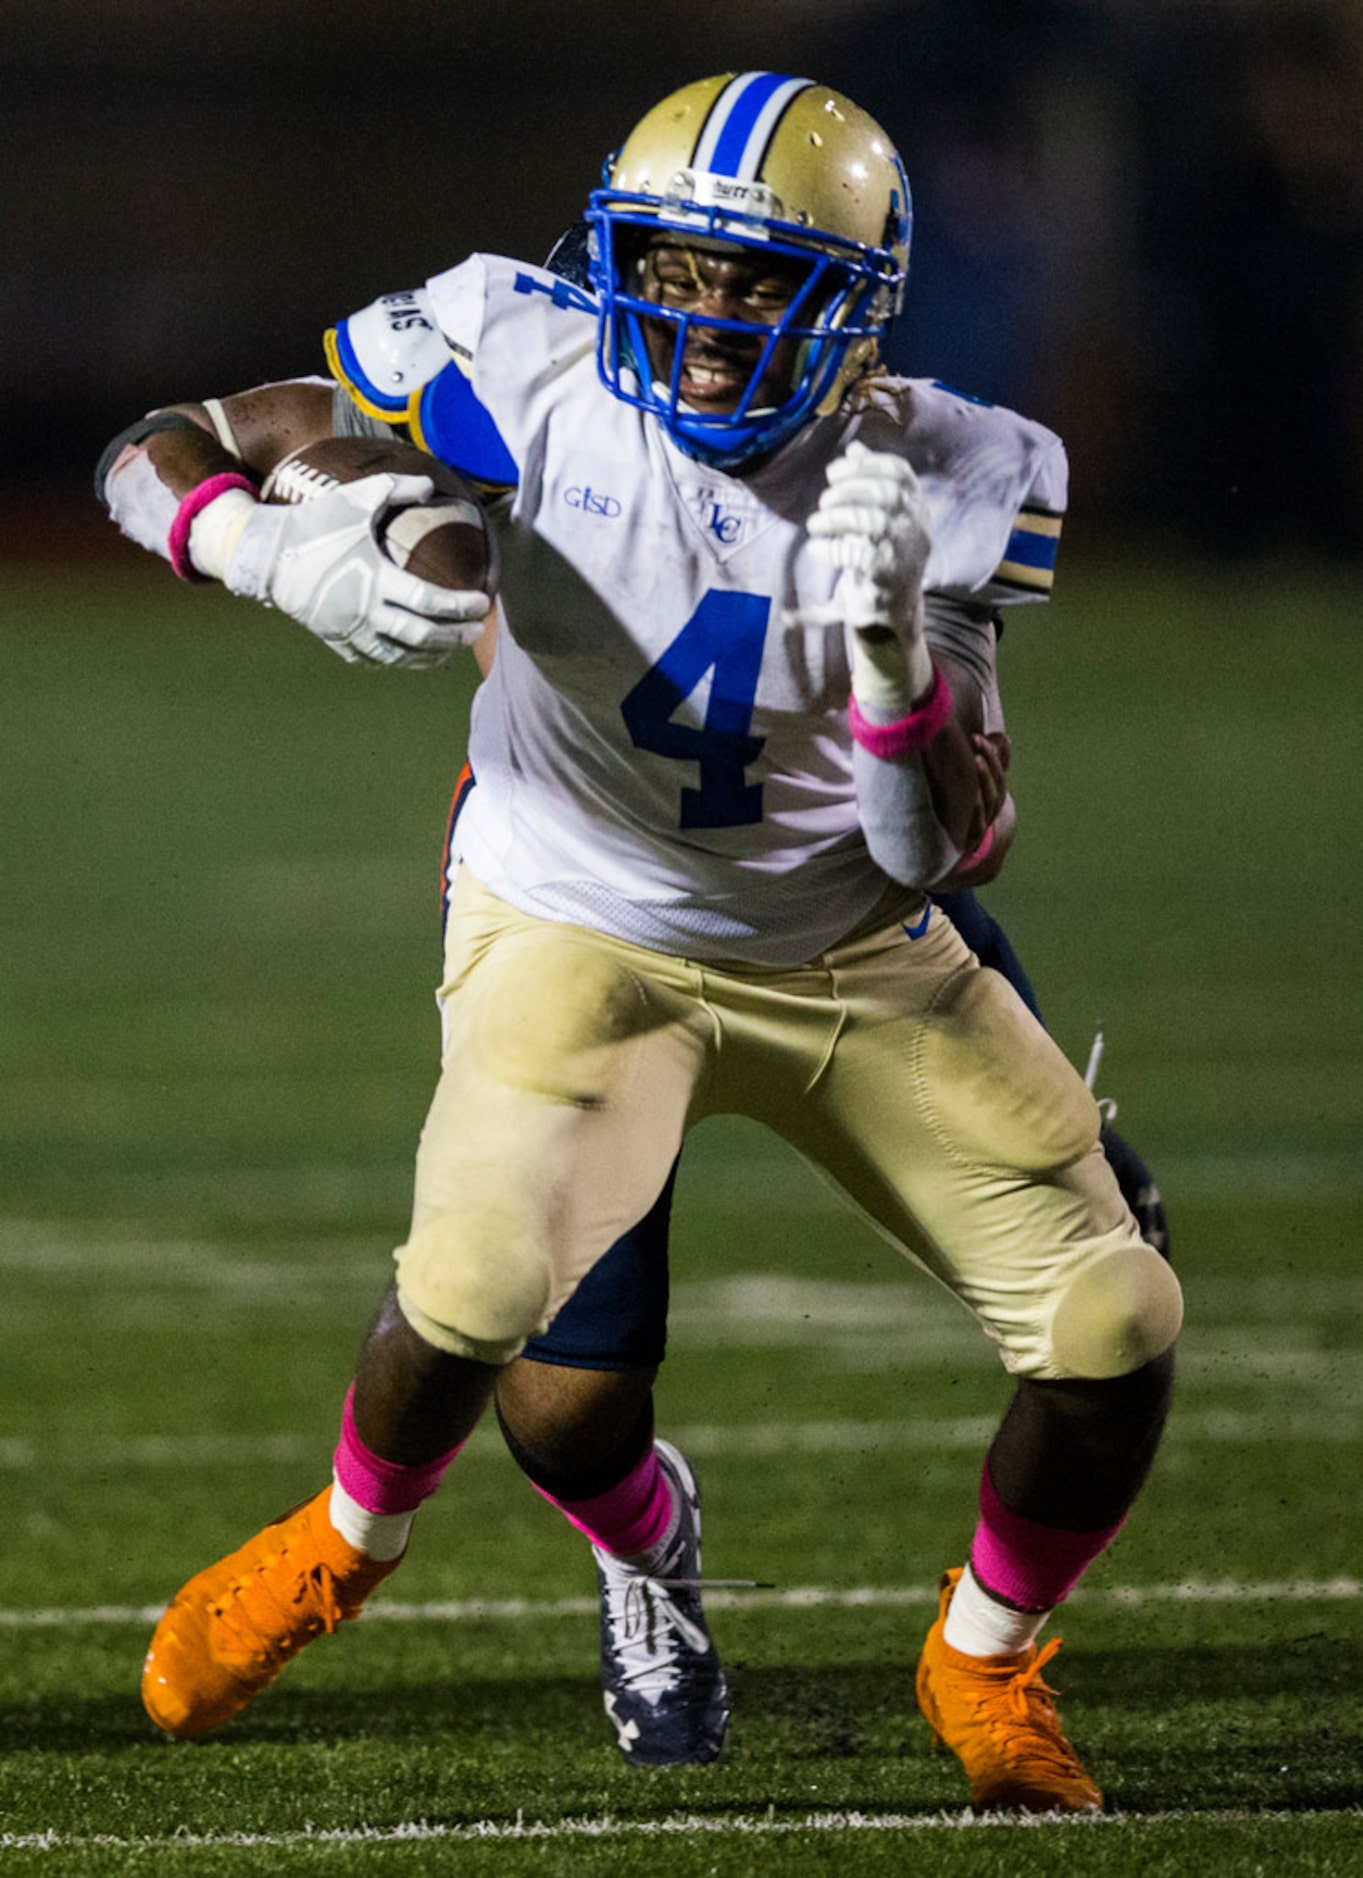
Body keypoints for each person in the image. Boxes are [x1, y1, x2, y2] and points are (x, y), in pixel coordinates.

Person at [99, 72, 1182, 1813]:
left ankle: (982, 1659)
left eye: (756, 282)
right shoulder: (513, 357)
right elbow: (164, 443)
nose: (698, 319)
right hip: (577, 914)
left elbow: (949, 843)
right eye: (670, 267)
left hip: (847, 938)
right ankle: (343, 1541)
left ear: (857, 301)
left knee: (1118, 1318)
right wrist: (262, 552)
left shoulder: (960, 471)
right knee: (484, 1318)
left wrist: (895, 663)